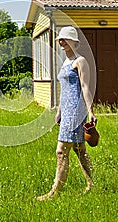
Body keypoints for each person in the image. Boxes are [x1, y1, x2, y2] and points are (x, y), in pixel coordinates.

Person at [36, 26, 96, 201]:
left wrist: (90, 111)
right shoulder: (65, 62)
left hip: (76, 111)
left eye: (65, 39)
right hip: (67, 111)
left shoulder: (81, 61)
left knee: (61, 151)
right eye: (60, 39)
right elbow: (65, 90)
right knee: (79, 149)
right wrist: (59, 111)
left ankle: (54, 193)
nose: (61, 42)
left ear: (74, 41)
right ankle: (93, 185)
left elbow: (85, 87)